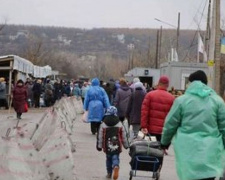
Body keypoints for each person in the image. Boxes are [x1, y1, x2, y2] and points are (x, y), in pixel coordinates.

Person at [160, 70, 225, 180]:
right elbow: (223, 126)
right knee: (209, 175)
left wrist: (165, 142)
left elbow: (170, 124)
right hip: (211, 150)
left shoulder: (181, 101)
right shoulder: (217, 101)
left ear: (190, 83)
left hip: (187, 150)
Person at [96, 106, 129, 179]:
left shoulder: (103, 124)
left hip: (107, 145)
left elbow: (100, 136)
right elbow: (124, 135)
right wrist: (126, 145)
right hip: (117, 145)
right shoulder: (119, 123)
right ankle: (116, 166)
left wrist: (99, 146)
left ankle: (109, 173)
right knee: (115, 157)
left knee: (108, 158)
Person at [141, 75, 175, 141]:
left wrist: (143, 126)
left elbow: (144, 112)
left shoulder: (149, 95)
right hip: (164, 131)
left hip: (151, 130)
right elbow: (173, 116)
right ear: (167, 85)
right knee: (161, 149)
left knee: (152, 149)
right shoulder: (172, 98)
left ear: (158, 83)